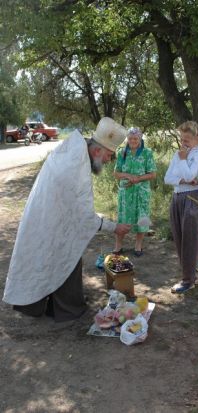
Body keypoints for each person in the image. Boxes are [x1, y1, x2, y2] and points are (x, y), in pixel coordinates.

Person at [3, 117, 131, 322]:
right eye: (109, 155)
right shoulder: (77, 164)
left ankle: (46, 305)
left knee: (52, 257)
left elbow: (77, 207)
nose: (108, 160)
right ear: (97, 151)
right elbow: (84, 216)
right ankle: (67, 308)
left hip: (47, 218)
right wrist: (114, 227)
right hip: (49, 220)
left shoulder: (74, 150)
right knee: (67, 256)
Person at [164, 121, 198, 293]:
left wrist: (184, 162)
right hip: (177, 197)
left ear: (197, 138)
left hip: (193, 198)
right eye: (182, 138)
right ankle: (191, 275)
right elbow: (167, 178)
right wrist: (184, 179)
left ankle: (188, 280)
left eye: (187, 139)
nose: (183, 142)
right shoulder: (179, 154)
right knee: (179, 237)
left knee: (191, 238)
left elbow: (190, 174)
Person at [113, 127, 156, 256]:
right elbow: (116, 173)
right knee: (123, 218)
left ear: (140, 138)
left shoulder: (147, 153)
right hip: (126, 192)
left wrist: (138, 179)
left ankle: (138, 245)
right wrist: (127, 175)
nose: (132, 141)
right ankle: (118, 246)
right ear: (127, 138)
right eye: (130, 138)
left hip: (141, 193)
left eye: (135, 138)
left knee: (142, 218)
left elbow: (153, 174)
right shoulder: (122, 152)